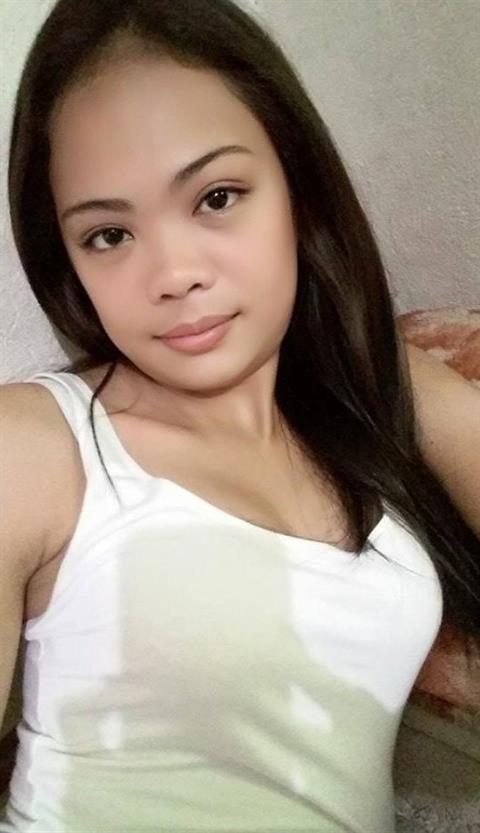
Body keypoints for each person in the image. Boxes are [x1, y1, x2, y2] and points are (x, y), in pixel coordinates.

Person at [0, 0, 478, 830]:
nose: (174, 273)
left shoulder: (373, 396)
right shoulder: (36, 445)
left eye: (217, 196)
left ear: (300, 190)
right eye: (108, 235)